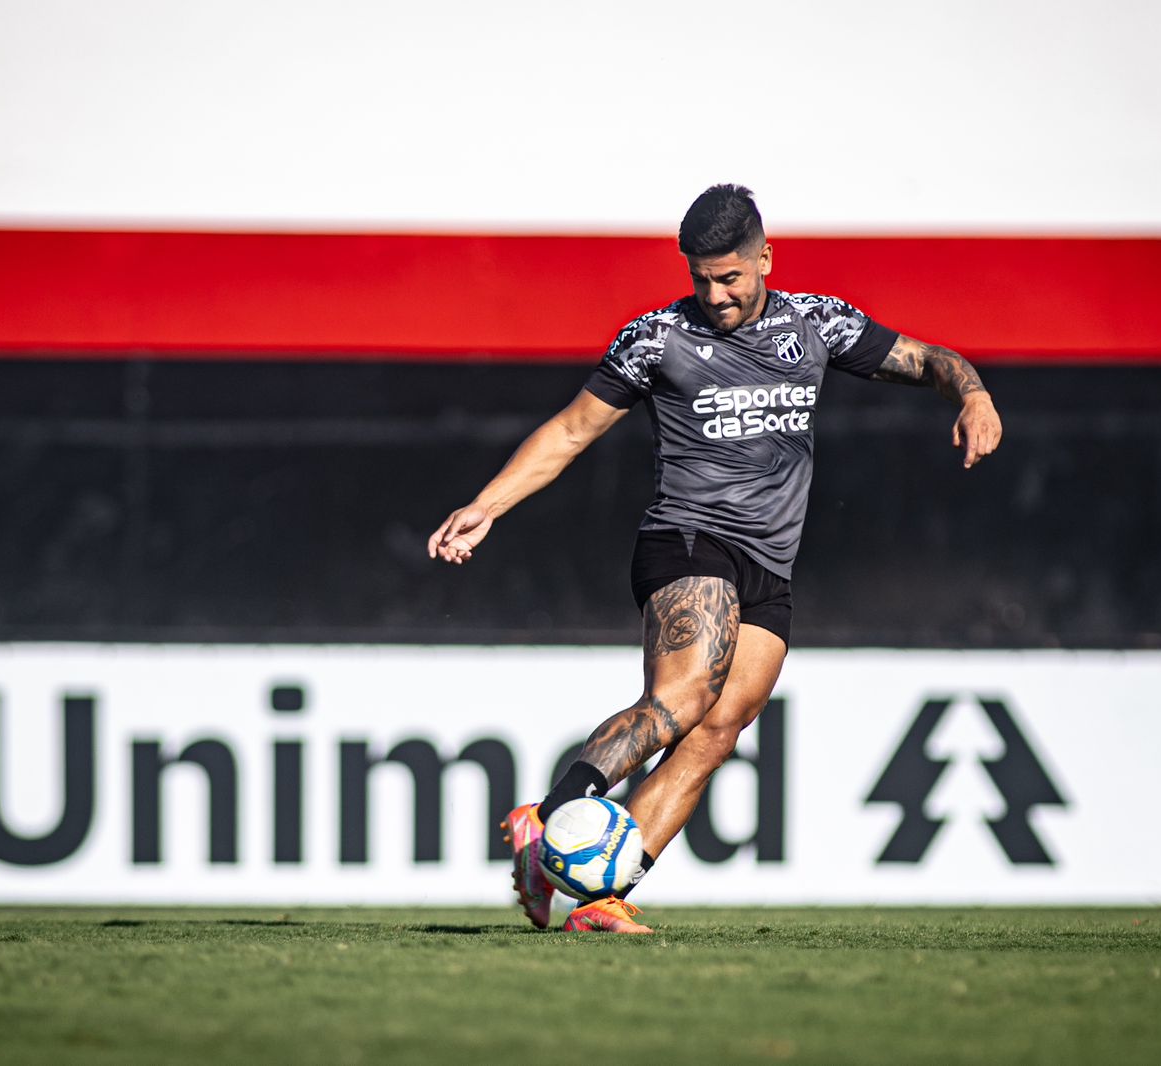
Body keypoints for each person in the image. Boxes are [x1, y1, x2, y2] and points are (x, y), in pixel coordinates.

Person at [427, 184, 1002, 933]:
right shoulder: (657, 339)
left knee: (716, 733)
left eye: (729, 277)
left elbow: (928, 360)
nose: (716, 294)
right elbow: (571, 431)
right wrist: (488, 505)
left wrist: (973, 394)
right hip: (688, 541)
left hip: (771, 563)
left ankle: (601, 898)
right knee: (684, 696)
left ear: (766, 258)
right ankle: (552, 818)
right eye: (701, 279)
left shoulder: (817, 324)